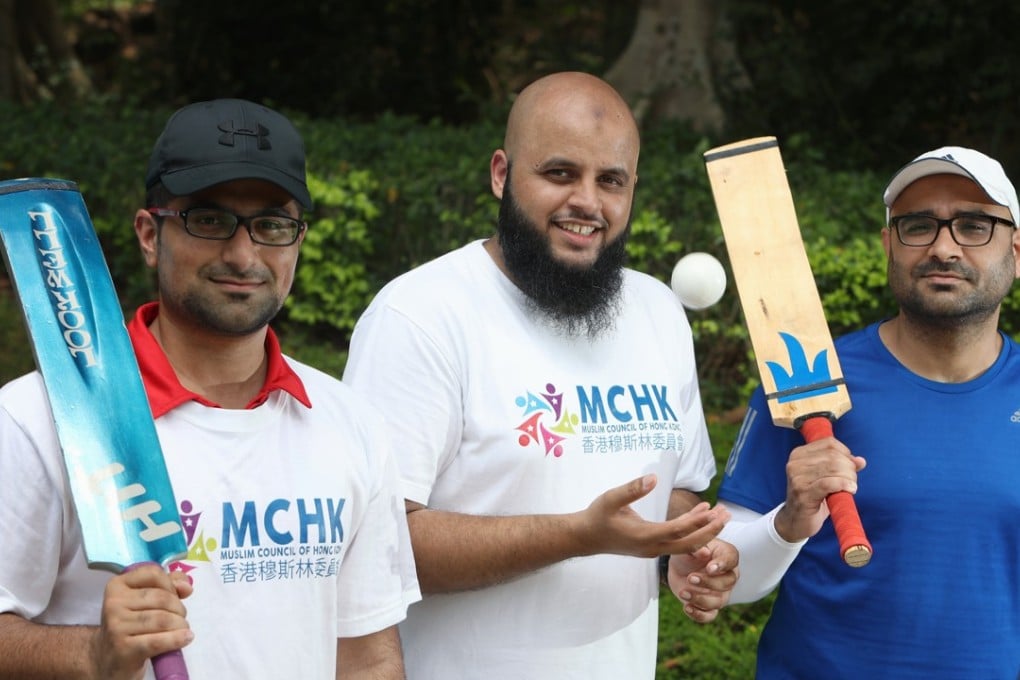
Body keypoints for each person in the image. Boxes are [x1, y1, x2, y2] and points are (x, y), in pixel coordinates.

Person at [0, 98, 420, 679]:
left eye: (271, 224)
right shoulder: (38, 419)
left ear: (297, 240)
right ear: (150, 234)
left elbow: (366, 656)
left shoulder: (349, 423)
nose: (243, 254)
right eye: (209, 219)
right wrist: (92, 654)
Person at [341, 71, 738, 679]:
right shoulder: (420, 315)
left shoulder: (657, 310)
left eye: (611, 181)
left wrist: (681, 550)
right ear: (501, 174)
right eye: (559, 173)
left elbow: (675, 491)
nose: (587, 202)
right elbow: (373, 547)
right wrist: (578, 534)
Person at [717, 146, 1020, 678]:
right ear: (888, 244)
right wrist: (788, 522)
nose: (944, 247)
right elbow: (727, 577)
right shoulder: (804, 379)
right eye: (918, 225)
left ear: (1016, 253)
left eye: (974, 226)